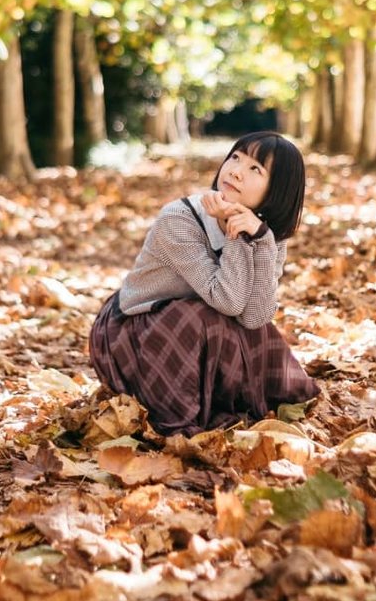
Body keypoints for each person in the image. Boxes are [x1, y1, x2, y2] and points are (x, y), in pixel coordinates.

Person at [89, 131, 320, 437]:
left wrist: (261, 240)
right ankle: (177, 415)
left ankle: (230, 402)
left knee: (246, 328)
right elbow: (226, 300)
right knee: (199, 317)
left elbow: (255, 317)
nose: (236, 170)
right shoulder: (179, 219)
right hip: (131, 331)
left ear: (276, 189)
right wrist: (233, 236)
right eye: (235, 157)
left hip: (193, 327)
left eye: (255, 169)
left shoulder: (266, 232)